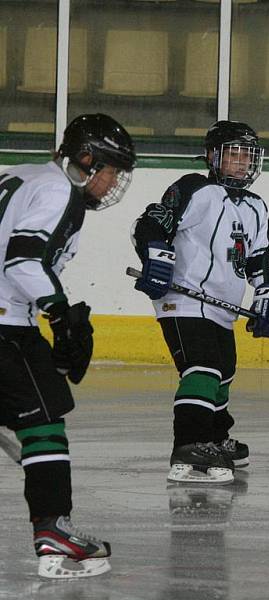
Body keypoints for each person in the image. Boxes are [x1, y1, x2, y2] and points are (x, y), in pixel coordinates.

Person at [0, 113, 136, 578]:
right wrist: (58, 311)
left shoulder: (21, 174)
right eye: (111, 170)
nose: (113, 182)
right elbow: (21, 259)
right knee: (44, 423)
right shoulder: (61, 191)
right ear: (86, 159)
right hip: (4, 324)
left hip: (11, 318)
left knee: (39, 403)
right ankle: (53, 531)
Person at [132, 120, 269, 485]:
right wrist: (155, 255)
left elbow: (261, 260)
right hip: (184, 299)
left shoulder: (256, 207)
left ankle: (216, 436)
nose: (240, 162)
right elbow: (152, 223)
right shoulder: (195, 188)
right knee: (202, 367)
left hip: (222, 307)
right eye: (232, 153)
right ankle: (189, 444)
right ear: (212, 156)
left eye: (246, 155)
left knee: (224, 371)